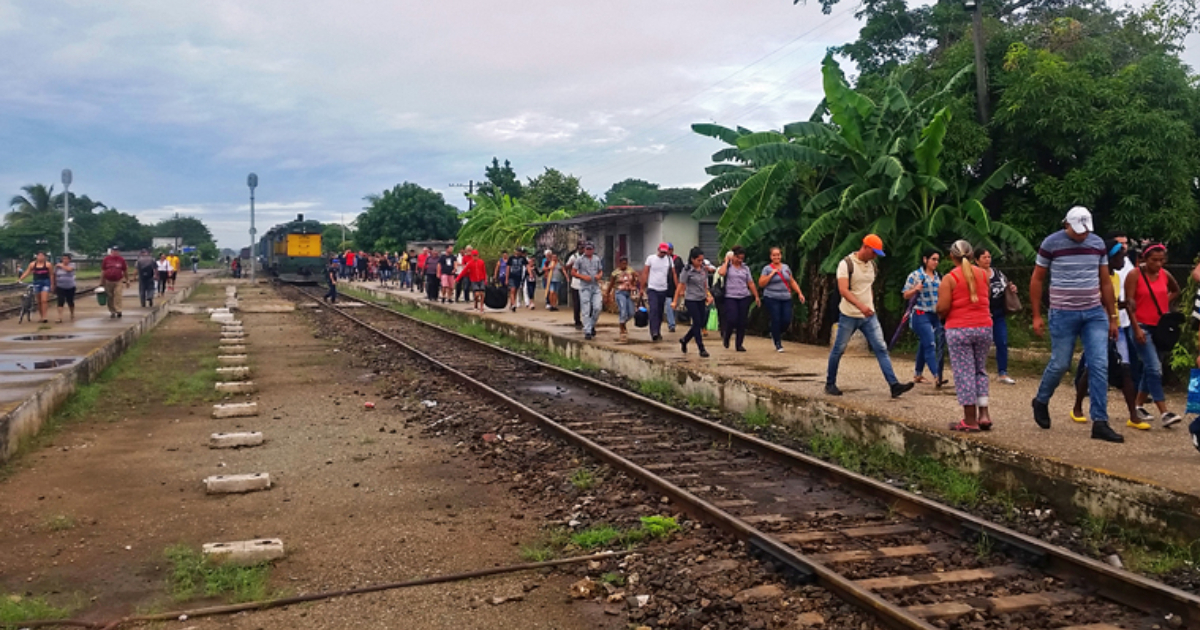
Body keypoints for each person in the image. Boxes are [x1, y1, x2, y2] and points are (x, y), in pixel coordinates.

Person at [1030, 206, 1123, 443]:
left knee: (1099, 365)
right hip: (1063, 313)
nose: (1082, 235)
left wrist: (1112, 317)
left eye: (1085, 231)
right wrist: (1036, 315)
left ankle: (1100, 421)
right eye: (1078, 230)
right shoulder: (1051, 244)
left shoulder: (1097, 244)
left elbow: (1105, 281)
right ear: (1067, 224)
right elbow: (1038, 278)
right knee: (1060, 363)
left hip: (1093, 313)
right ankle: (1041, 399)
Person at [825, 235, 913, 398]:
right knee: (839, 349)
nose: (875, 256)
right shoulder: (846, 264)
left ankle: (894, 385)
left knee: (881, 348)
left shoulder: (872, 265)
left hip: (868, 315)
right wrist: (861, 306)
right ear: (865, 247)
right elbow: (844, 290)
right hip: (849, 314)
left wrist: (869, 305)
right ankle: (830, 383)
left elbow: (868, 286)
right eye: (873, 252)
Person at [1072, 239, 1144, 429]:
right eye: (1121, 256)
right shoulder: (1097, 278)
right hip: (1097, 328)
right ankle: (1077, 406)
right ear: (1110, 258)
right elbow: (1098, 303)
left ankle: (1133, 415)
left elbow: (1112, 302)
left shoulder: (1117, 277)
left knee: (1126, 368)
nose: (1124, 260)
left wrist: (1125, 304)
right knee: (1092, 368)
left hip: (1116, 327)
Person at [1124, 242, 1183, 428]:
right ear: (1144, 259)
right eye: (1154, 260)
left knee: (1151, 369)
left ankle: (1137, 405)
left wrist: (1164, 301)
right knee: (1154, 368)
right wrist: (1136, 328)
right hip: (1142, 326)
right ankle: (1164, 411)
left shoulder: (1164, 275)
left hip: (1160, 327)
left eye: (1161, 260)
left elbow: (1176, 290)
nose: (1158, 264)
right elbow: (1129, 304)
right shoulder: (1134, 275)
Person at [936, 241, 993, 431]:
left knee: (964, 372)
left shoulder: (949, 278)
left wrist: (939, 312)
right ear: (971, 256)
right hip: (984, 326)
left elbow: (943, 307)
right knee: (980, 370)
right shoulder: (984, 275)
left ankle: (969, 420)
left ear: (952, 257)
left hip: (959, 329)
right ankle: (984, 414)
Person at [902, 249, 945, 385]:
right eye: (933, 259)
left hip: (935, 314)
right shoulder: (915, 275)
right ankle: (937, 375)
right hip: (920, 314)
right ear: (925, 260)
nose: (935, 262)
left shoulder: (939, 277)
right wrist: (915, 289)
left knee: (925, 342)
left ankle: (918, 373)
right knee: (930, 343)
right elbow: (905, 294)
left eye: (937, 260)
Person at [977, 248, 1017, 385]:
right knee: (982, 344)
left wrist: (1012, 289)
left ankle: (1002, 372)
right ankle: (978, 370)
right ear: (977, 260)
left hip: (998, 313)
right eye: (984, 257)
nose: (987, 259)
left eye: (989, 256)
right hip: (982, 314)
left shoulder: (998, 273)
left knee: (1002, 342)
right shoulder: (975, 275)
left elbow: (1006, 285)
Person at [758, 247, 805, 353]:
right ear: (771, 257)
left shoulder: (786, 267)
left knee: (786, 319)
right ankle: (778, 342)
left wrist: (799, 293)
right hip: (771, 297)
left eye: (778, 254)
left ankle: (775, 332)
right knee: (776, 318)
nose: (776, 257)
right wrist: (771, 275)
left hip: (785, 297)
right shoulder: (767, 268)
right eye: (774, 255)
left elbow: (791, 281)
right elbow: (761, 283)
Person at [717, 245, 761, 351]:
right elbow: (721, 273)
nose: (740, 260)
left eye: (742, 258)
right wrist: (727, 260)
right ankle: (727, 336)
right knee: (732, 319)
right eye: (738, 258)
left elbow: (750, 282)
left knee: (742, 321)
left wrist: (756, 296)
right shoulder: (728, 266)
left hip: (743, 296)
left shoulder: (745, 268)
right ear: (733, 256)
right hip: (730, 296)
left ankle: (739, 344)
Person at [673, 247, 714, 357]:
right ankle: (701, 348)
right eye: (698, 260)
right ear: (692, 259)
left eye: (702, 260)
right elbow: (680, 285)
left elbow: (705, 284)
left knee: (700, 323)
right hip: (691, 299)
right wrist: (675, 301)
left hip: (701, 298)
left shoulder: (703, 269)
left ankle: (685, 340)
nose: (700, 263)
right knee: (696, 322)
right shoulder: (687, 270)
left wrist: (708, 295)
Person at [641, 242, 677, 342]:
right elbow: (645, 272)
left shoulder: (669, 260)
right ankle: (654, 332)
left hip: (663, 289)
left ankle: (658, 330)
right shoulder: (651, 259)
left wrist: (678, 287)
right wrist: (642, 288)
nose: (663, 254)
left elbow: (673, 273)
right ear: (658, 250)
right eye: (662, 252)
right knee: (654, 309)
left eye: (665, 253)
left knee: (660, 312)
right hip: (652, 288)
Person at [572, 242, 603, 340]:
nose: (588, 251)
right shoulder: (579, 260)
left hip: (595, 286)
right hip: (585, 287)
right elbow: (573, 272)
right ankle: (587, 331)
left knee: (597, 307)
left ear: (593, 250)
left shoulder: (596, 259)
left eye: (590, 249)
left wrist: (599, 275)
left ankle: (591, 325)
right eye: (587, 249)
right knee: (586, 309)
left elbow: (600, 270)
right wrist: (583, 277)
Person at [605, 255, 638, 343]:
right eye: (622, 263)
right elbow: (611, 284)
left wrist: (634, 285)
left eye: (625, 263)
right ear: (619, 263)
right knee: (623, 310)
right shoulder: (615, 273)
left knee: (631, 312)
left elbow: (635, 279)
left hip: (628, 292)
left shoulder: (630, 270)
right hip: (619, 292)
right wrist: (607, 294)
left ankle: (623, 322)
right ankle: (622, 327)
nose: (624, 265)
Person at [18, 251, 53, 323]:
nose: (40, 257)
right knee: (39, 301)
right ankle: (41, 316)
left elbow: (51, 275)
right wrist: (20, 279)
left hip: (45, 282)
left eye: (42, 256)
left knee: (44, 300)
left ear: (45, 257)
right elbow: (27, 272)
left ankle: (44, 316)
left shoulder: (48, 265)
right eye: (39, 256)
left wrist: (52, 284)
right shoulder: (32, 264)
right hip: (36, 282)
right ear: (36, 257)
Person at [101, 248, 129, 318]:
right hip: (108, 280)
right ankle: (112, 310)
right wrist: (102, 281)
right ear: (111, 252)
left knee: (118, 294)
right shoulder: (106, 259)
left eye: (117, 251)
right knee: (110, 296)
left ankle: (118, 310)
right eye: (114, 251)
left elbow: (125, 270)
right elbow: (103, 270)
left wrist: (127, 280)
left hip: (118, 280)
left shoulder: (121, 259)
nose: (115, 252)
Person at [565, 242, 586, 329]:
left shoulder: (588, 257)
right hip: (576, 284)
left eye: (583, 247)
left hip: (586, 284)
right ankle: (577, 321)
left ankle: (587, 321)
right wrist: (572, 266)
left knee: (586, 304)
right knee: (577, 304)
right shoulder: (574, 257)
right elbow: (566, 267)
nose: (582, 249)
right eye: (580, 248)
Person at [664, 244, 683, 334]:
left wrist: (681, 287)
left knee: (675, 306)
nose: (668, 251)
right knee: (669, 306)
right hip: (666, 287)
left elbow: (682, 273)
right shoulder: (663, 260)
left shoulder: (677, 260)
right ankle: (671, 324)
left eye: (670, 249)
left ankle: (673, 321)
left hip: (676, 287)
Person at [54, 253, 76, 322]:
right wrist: (54, 284)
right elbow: (54, 274)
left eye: (66, 259)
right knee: (60, 301)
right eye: (63, 259)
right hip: (60, 286)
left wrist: (61, 265)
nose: (65, 260)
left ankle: (72, 313)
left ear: (69, 260)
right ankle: (59, 317)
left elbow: (69, 269)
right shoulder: (57, 267)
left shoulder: (72, 265)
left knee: (70, 301)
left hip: (70, 286)